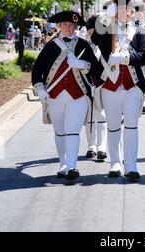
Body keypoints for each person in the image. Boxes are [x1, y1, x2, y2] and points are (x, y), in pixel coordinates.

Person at [32, 11, 101, 181]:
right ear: (59, 26)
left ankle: (72, 166)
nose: (68, 28)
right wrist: (40, 88)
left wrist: (83, 64)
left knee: (72, 131)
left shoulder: (84, 46)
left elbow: (97, 71)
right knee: (60, 132)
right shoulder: (50, 46)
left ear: (76, 27)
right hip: (55, 95)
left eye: (72, 25)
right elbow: (37, 70)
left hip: (78, 96)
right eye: (65, 25)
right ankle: (63, 164)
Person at [91, 0, 145, 180]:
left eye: (130, 9)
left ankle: (131, 164)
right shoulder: (107, 29)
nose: (127, 12)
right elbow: (95, 40)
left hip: (132, 85)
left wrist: (125, 58)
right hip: (110, 85)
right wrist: (106, 17)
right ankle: (115, 162)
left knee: (131, 125)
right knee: (114, 126)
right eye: (123, 9)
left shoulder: (140, 31)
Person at [84, 16, 107, 161]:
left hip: (102, 83)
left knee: (102, 115)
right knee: (89, 116)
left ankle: (102, 147)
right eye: (91, 31)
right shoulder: (83, 46)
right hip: (87, 83)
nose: (93, 34)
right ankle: (91, 145)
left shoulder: (105, 44)